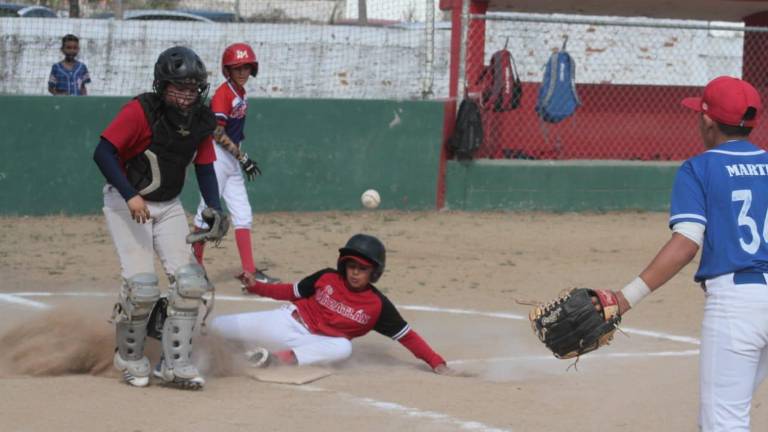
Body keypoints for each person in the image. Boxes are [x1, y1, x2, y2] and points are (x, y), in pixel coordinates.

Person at [608, 76, 768, 431]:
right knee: (721, 415)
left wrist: (624, 298)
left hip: (737, 307)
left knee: (723, 422)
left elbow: (685, 243)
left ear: (708, 122)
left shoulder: (700, 168)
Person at [93, 46, 226, 390]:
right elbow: (103, 152)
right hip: (128, 202)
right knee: (142, 287)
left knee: (190, 283)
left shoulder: (200, 119)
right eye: (177, 88)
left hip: (167, 205)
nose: (185, 96)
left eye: (192, 89)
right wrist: (130, 194)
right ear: (162, 85)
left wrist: (214, 206)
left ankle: (174, 363)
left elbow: (205, 166)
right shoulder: (142, 111)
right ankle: (130, 357)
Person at [212, 233, 460, 375]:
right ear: (344, 265)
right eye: (352, 266)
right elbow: (289, 291)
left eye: (363, 269)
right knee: (216, 326)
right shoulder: (327, 277)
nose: (355, 273)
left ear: (374, 273)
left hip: (313, 343)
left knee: (343, 348)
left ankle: (275, 360)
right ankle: (231, 351)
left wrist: (436, 362)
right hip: (286, 322)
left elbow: (407, 336)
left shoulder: (377, 306)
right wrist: (256, 286)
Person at [191, 42, 278, 285]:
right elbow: (217, 133)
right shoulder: (224, 94)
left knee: (243, 215)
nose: (242, 72)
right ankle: (194, 271)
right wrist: (243, 157)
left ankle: (249, 272)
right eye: (237, 67)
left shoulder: (240, 93)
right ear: (227, 70)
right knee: (206, 214)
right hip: (215, 158)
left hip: (231, 160)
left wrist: (239, 155)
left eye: (247, 67)